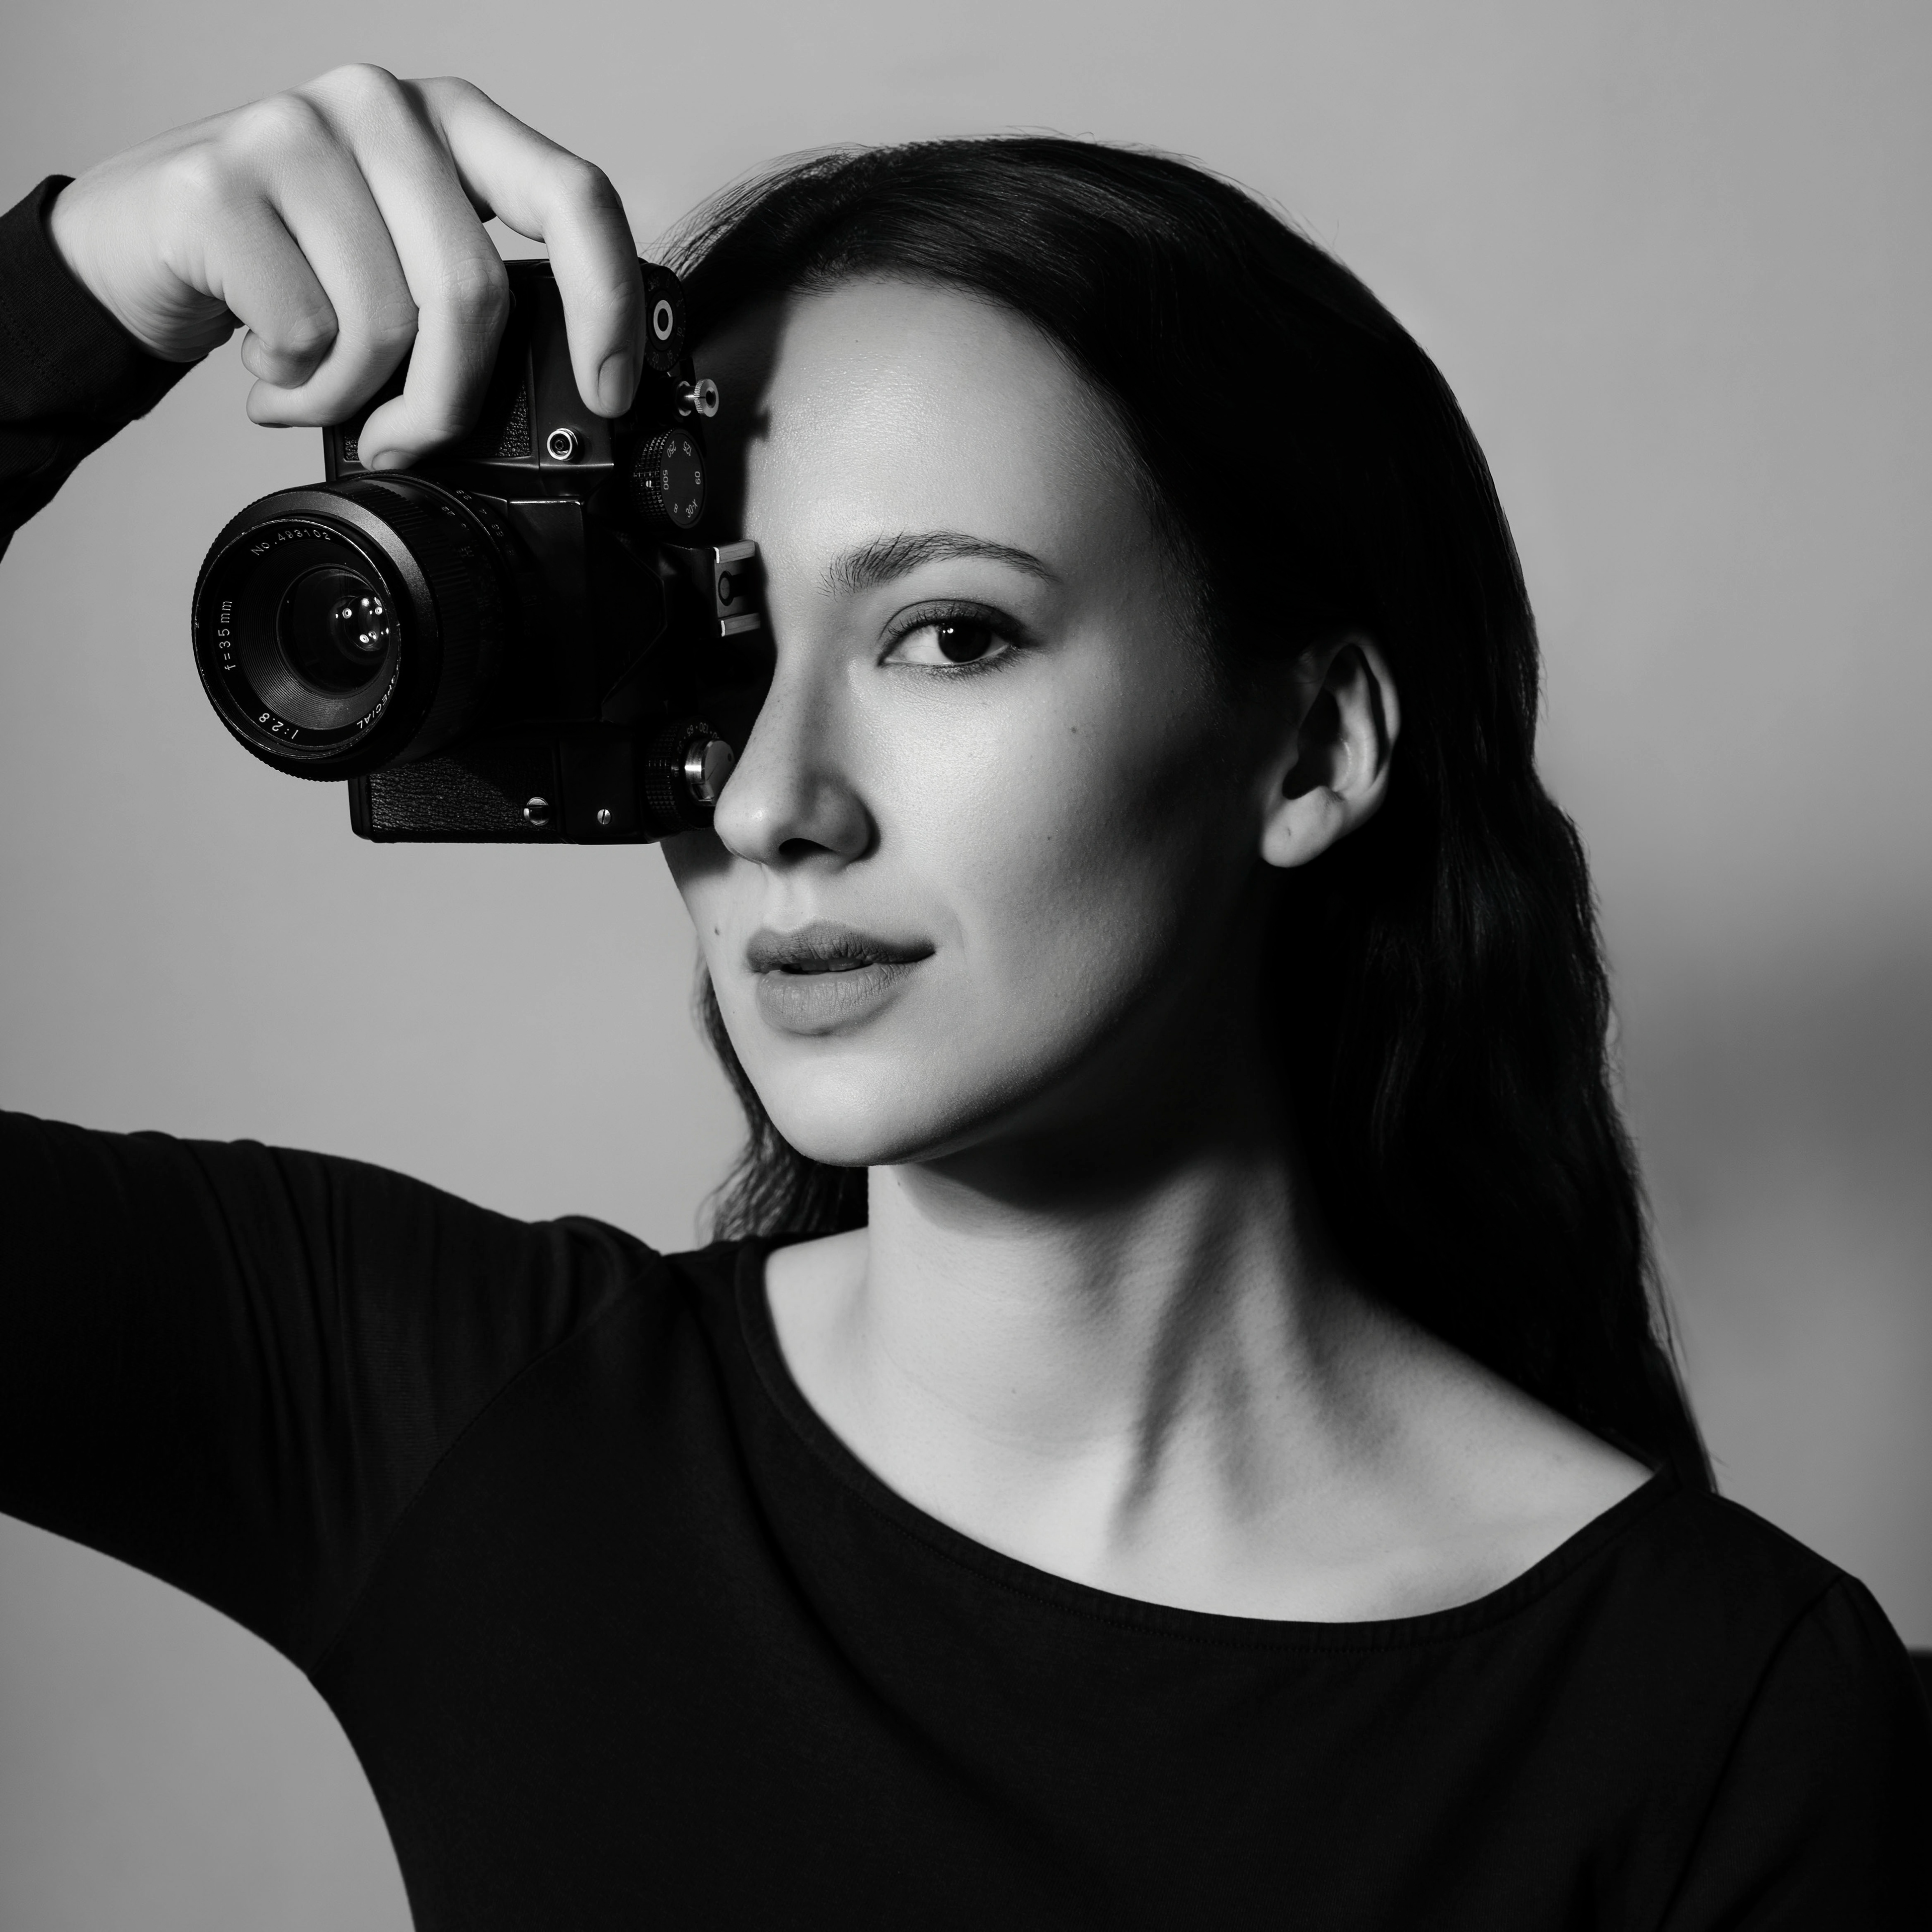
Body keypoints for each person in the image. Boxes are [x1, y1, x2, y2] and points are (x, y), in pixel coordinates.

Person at [1, 65, 1925, 1930]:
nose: (770, 801)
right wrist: (84, 285)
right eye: (716, 649)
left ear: (1312, 747)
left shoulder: (1735, 1725)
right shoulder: (465, 1426)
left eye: (948, 635)